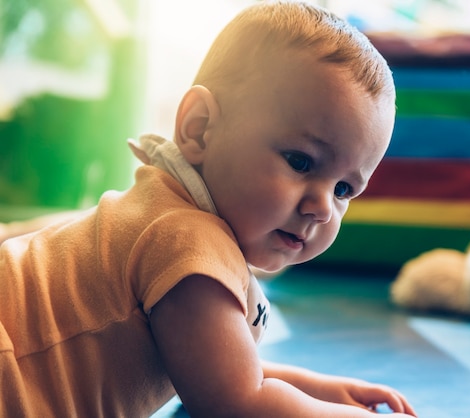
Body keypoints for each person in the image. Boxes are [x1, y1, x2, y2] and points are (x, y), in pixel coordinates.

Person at [0, 1, 417, 417]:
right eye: (301, 161)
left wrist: (319, 391)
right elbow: (237, 403)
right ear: (199, 127)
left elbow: (212, 367)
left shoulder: (166, 211)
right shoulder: (188, 241)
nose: (323, 208)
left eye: (344, 188)